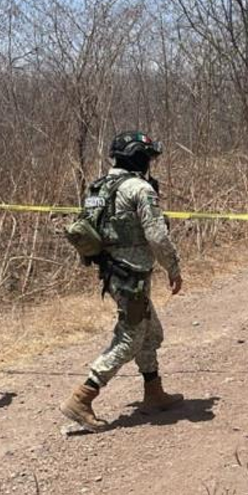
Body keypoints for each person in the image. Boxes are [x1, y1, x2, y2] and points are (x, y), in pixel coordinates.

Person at [60, 131, 184, 433]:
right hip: (131, 275)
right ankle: (82, 397)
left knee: (150, 332)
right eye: (148, 157)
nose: (150, 163)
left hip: (113, 271)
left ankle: (153, 391)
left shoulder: (99, 187)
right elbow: (157, 235)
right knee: (130, 339)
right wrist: (173, 267)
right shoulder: (139, 188)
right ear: (138, 157)